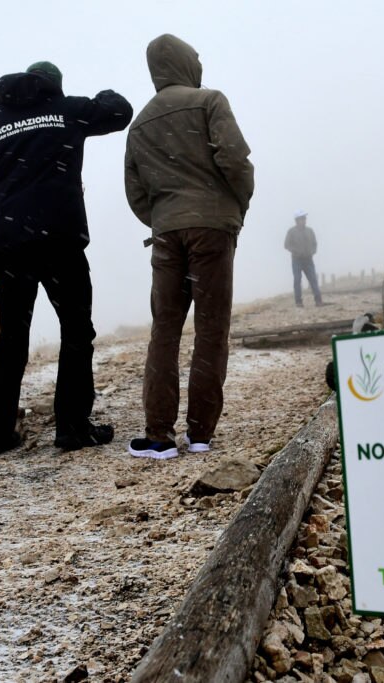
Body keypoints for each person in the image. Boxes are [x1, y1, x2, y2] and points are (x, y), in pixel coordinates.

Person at [0, 62, 133, 457]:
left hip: (10, 248)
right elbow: (120, 110)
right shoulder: (66, 111)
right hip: (60, 241)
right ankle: (72, 428)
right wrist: (98, 95)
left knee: (10, 339)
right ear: (53, 86)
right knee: (76, 332)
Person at [124, 34, 254, 459]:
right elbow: (235, 161)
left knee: (164, 329)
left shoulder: (140, 123)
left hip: (166, 233)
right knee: (211, 328)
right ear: (187, 63)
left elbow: (135, 191)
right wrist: (234, 207)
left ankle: (158, 434)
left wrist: (164, 219)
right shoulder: (209, 101)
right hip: (212, 228)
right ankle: (199, 433)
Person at [284, 210, 323, 307]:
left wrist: (313, 251)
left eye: (304, 218)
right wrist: (296, 251)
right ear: (297, 220)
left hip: (308, 259)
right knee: (297, 280)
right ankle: (298, 302)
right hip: (297, 260)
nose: (304, 220)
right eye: (302, 218)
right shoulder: (291, 231)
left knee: (313, 279)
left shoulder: (310, 231)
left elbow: (314, 243)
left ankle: (318, 301)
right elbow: (286, 245)